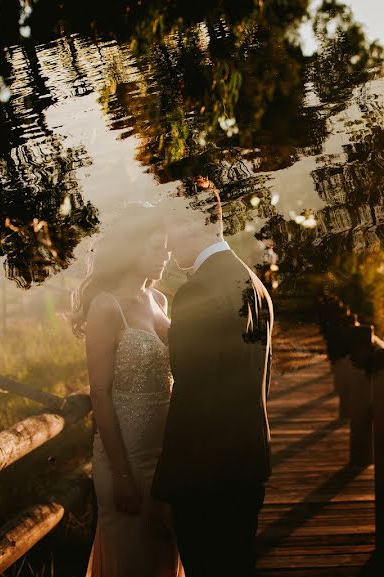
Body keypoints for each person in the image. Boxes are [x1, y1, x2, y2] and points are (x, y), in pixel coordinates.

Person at [151, 179, 274, 577]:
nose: (168, 244)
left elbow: (189, 393)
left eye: (172, 227)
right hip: (249, 461)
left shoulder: (198, 291)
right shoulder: (255, 285)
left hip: (206, 477)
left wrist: (167, 486)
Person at [72, 205, 184, 577]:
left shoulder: (160, 301)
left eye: (166, 249)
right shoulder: (107, 307)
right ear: (133, 248)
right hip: (127, 460)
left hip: (166, 457)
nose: (164, 257)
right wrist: (121, 475)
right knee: (133, 563)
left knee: (164, 562)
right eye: (156, 248)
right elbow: (100, 394)